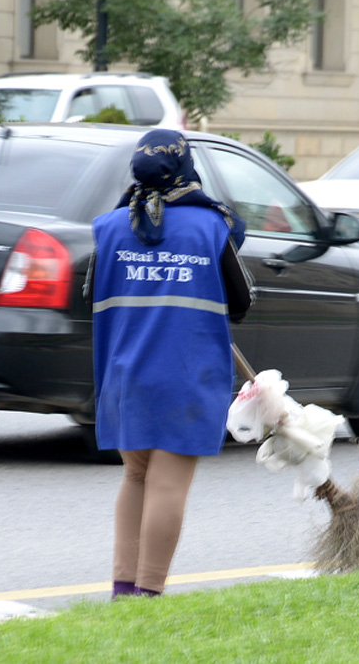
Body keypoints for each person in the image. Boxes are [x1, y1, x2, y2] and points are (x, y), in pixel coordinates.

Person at [85, 129, 253, 599]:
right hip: (184, 375)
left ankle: (123, 589)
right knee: (167, 484)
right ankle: (150, 591)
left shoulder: (110, 226)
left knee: (136, 475)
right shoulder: (210, 227)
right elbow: (240, 302)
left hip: (124, 373)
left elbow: (93, 295)